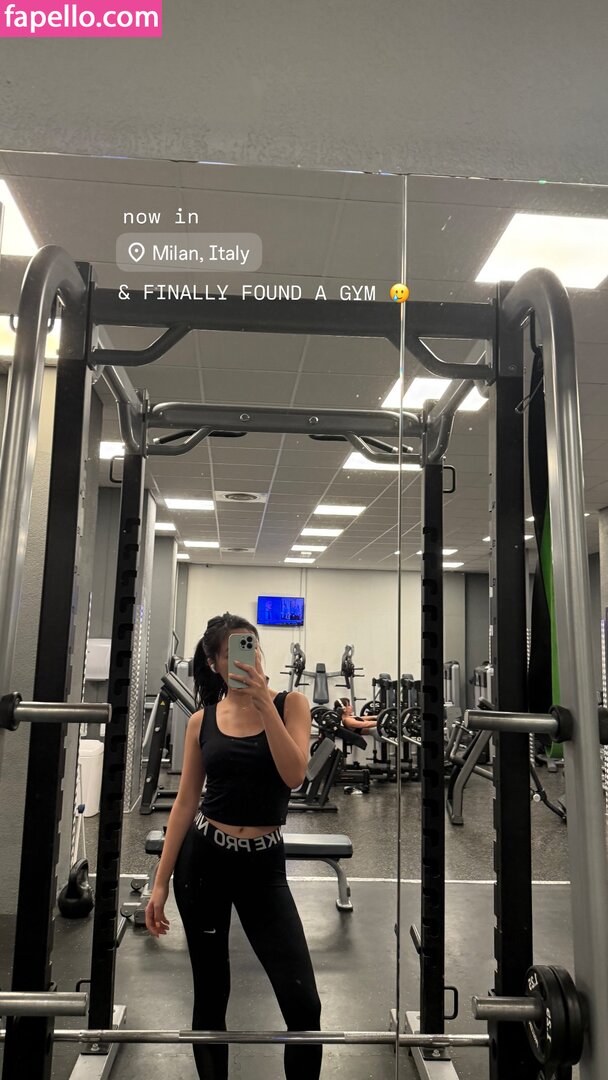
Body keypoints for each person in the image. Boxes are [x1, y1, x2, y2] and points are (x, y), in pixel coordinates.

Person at [145, 612, 322, 1080]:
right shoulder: (201, 721)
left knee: (304, 1005)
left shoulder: (291, 704)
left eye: (253, 646)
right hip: (204, 864)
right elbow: (185, 803)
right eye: (235, 652)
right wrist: (159, 883)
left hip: (264, 867)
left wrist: (264, 703)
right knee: (210, 996)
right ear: (215, 663)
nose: (250, 658)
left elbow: (294, 775)